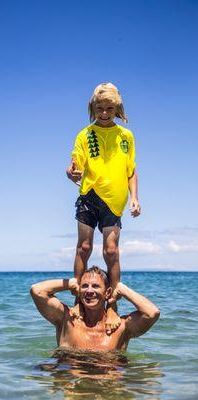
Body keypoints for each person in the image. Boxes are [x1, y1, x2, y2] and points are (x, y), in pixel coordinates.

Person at [66, 83, 141, 334]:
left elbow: (131, 171)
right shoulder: (84, 134)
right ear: (93, 108)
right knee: (84, 246)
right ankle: (78, 298)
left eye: (110, 108)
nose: (105, 112)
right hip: (89, 195)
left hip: (115, 200)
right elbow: (74, 166)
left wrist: (135, 198)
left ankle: (112, 303)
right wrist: (71, 172)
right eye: (100, 108)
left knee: (111, 251)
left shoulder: (126, 137)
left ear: (117, 108)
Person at [30, 266, 160, 351]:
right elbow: (37, 291)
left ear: (107, 293)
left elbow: (152, 313)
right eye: (85, 286)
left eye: (95, 286)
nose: (89, 291)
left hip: (107, 387)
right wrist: (71, 284)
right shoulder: (67, 320)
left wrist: (121, 289)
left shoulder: (120, 327)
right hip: (74, 386)